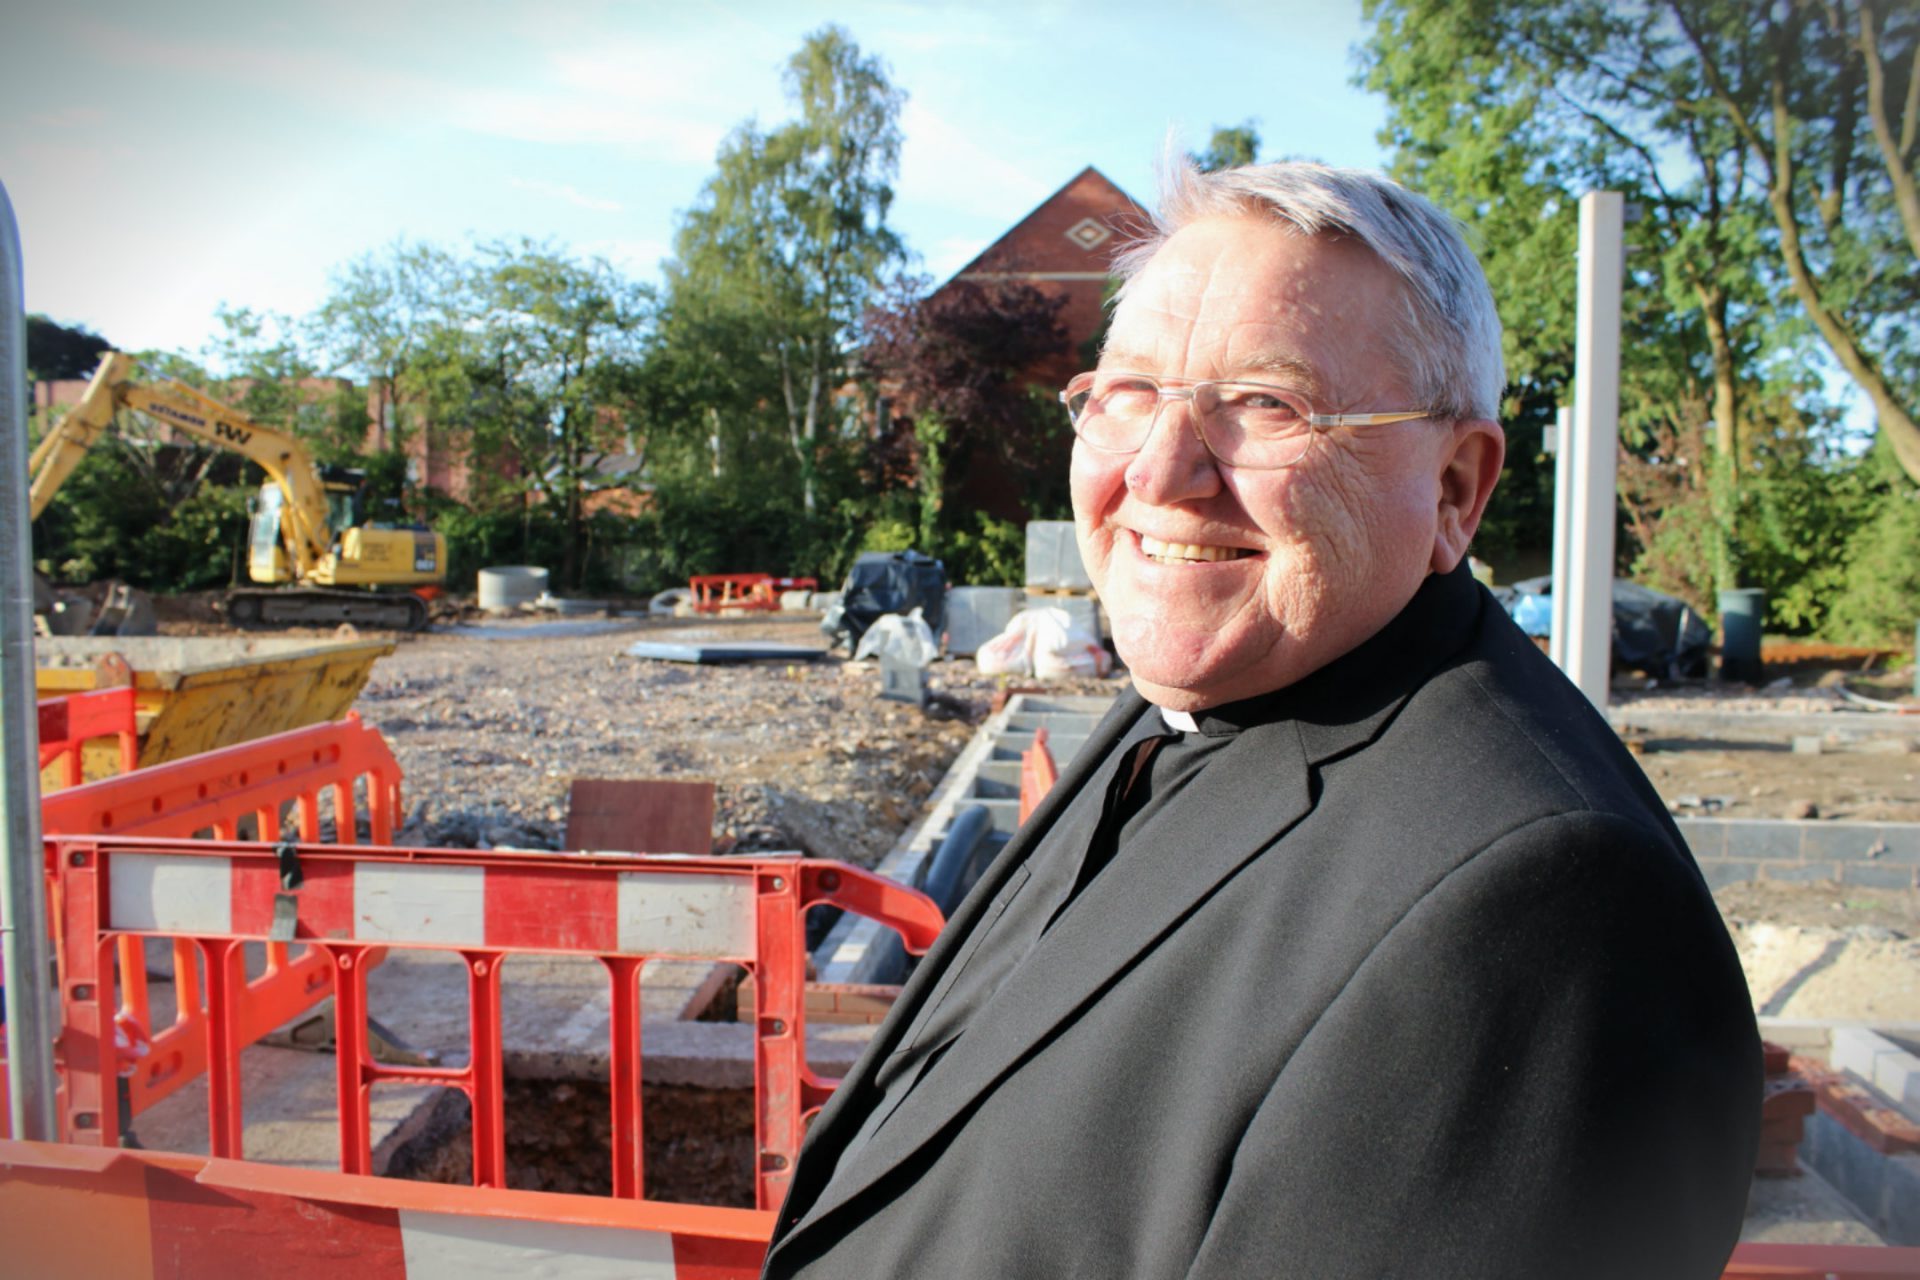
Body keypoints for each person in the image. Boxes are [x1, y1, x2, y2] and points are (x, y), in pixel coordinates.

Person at [760, 161, 1760, 1279]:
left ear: (1455, 489)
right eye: (1129, 392)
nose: (1161, 470)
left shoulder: (1548, 911)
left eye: (1267, 404)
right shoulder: (1200, 692)